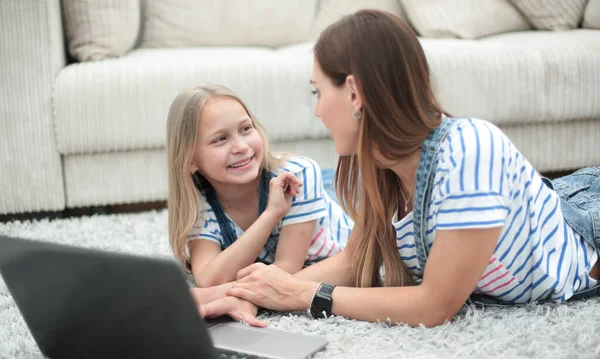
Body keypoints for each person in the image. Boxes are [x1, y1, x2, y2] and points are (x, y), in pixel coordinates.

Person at [200, 10, 600, 327]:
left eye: (317, 92)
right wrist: (248, 291)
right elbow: (353, 261)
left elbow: (434, 305)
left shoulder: (471, 147)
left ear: (355, 94)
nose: (318, 110)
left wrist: (302, 295)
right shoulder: (384, 169)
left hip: (586, 220)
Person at [166, 84, 353, 324]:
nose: (241, 147)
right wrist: (270, 215)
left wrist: (220, 296)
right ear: (190, 160)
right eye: (220, 139)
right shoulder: (200, 203)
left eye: (246, 129)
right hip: (292, 237)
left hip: (337, 253)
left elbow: (287, 267)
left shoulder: (298, 175)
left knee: (349, 191)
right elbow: (210, 278)